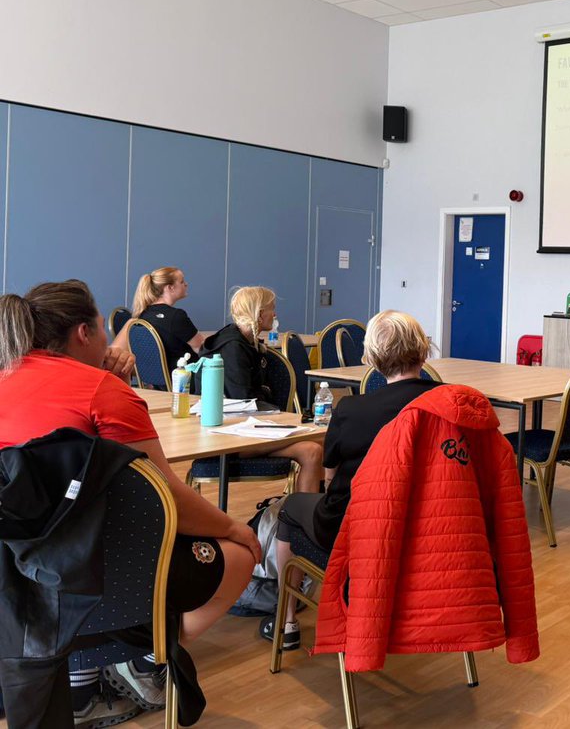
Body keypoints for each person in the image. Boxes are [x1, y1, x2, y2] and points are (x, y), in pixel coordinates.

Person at [0, 281, 259, 727]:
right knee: (238, 554)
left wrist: (110, 381)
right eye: (103, 328)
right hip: (95, 585)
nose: (108, 338)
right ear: (84, 333)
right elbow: (163, 501)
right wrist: (234, 528)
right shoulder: (100, 390)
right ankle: (143, 660)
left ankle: (83, 678)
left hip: (14, 589)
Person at [259, 310, 439, 651]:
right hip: (431, 531)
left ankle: (287, 621)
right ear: (423, 350)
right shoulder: (449, 403)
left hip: (357, 530)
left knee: (291, 507)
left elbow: (331, 477)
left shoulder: (352, 410)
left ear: (371, 357)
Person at [200, 286, 322, 493]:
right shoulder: (233, 349)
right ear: (258, 313)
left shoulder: (246, 342)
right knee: (312, 450)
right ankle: (303, 518)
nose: (275, 314)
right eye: (271, 308)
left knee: (326, 440)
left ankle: (320, 507)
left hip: (250, 426)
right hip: (232, 435)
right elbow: (243, 400)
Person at [115, 266, 204, 370]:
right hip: (184, 379)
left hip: (157, 381)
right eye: (182, 281)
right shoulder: (176, 316)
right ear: (170, 287)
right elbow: (201, 348)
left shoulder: (142, 315)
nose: (186, 284)